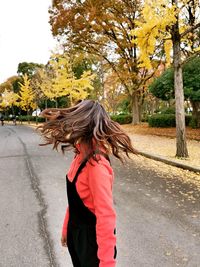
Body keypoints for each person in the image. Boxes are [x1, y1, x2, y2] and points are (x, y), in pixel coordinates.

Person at [39, 100, 136, 267]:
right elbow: (76, 201)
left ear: (85, 125)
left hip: (92, 244)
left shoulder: (96, 165)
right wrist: (66, 228)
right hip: (76, 236)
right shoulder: (80, 155)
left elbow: (106, 217)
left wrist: (107, 263)